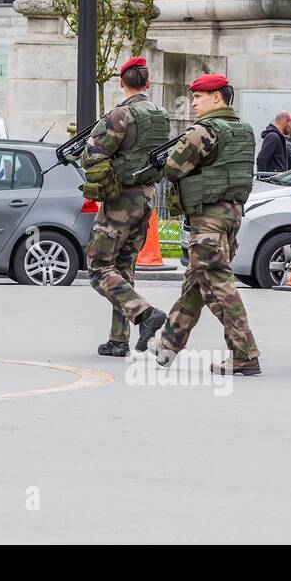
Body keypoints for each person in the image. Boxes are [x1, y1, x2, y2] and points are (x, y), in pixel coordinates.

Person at [150, 74, 263, 376]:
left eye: (200, 96)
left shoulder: (204, 131)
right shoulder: (243, 129)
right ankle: (168, 343)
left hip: (209, 218)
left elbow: (173, 169)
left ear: (218, 98)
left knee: (217, 284)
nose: (195, 102)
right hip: (231, 214)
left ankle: (244, 353)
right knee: (196, 283)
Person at [79, 57, 169, 356]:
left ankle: (144, 313)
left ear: (121, 82)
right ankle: (119, 340)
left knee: (99, 267)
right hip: (146, 196)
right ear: (147, 83)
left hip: (121, 199)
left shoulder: (121, 114)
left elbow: (93, 155)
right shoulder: (160, 114)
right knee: (124, 267)